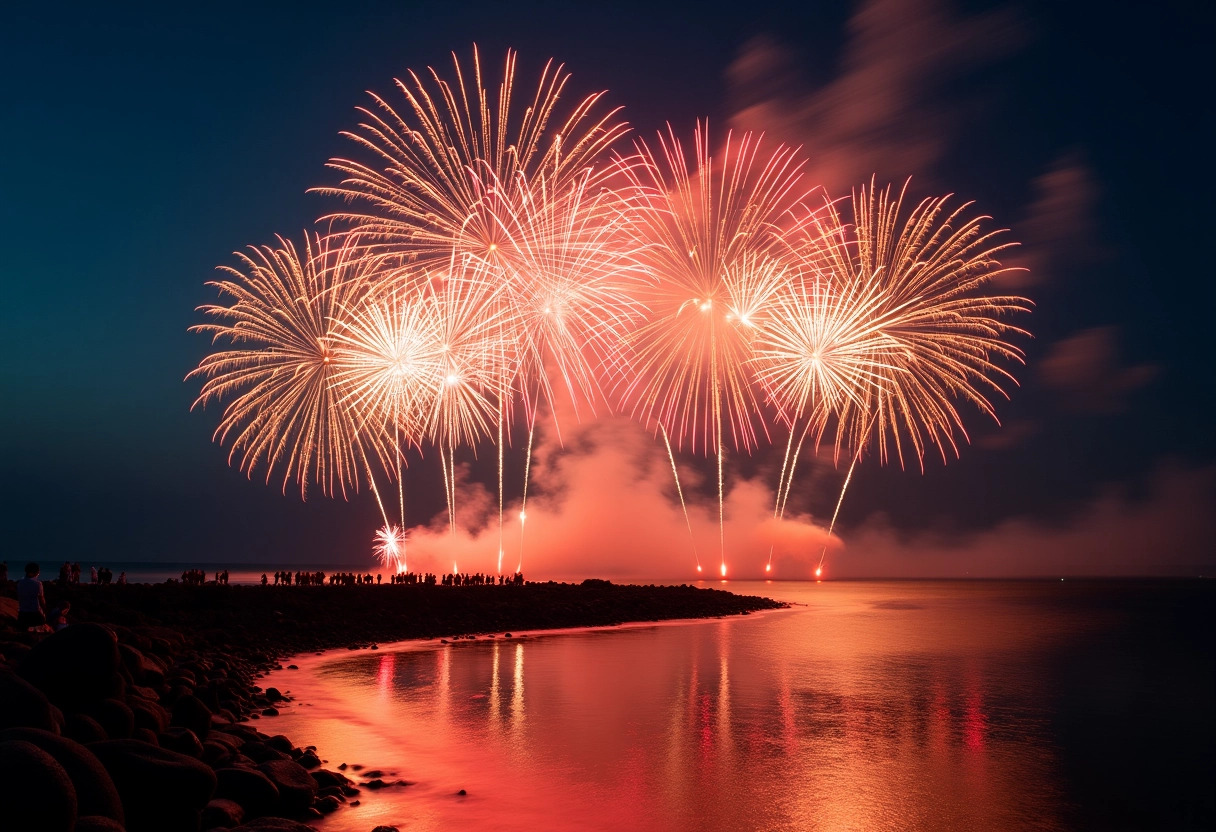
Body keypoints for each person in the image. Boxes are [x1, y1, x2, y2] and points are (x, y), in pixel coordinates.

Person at [16, 562, 46, 630]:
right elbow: (41, 599)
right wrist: (44, 611)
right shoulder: (38, 584)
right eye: (38, 572)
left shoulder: (20, 583)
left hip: (22, 614)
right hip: (34, 614)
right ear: (36, 572)